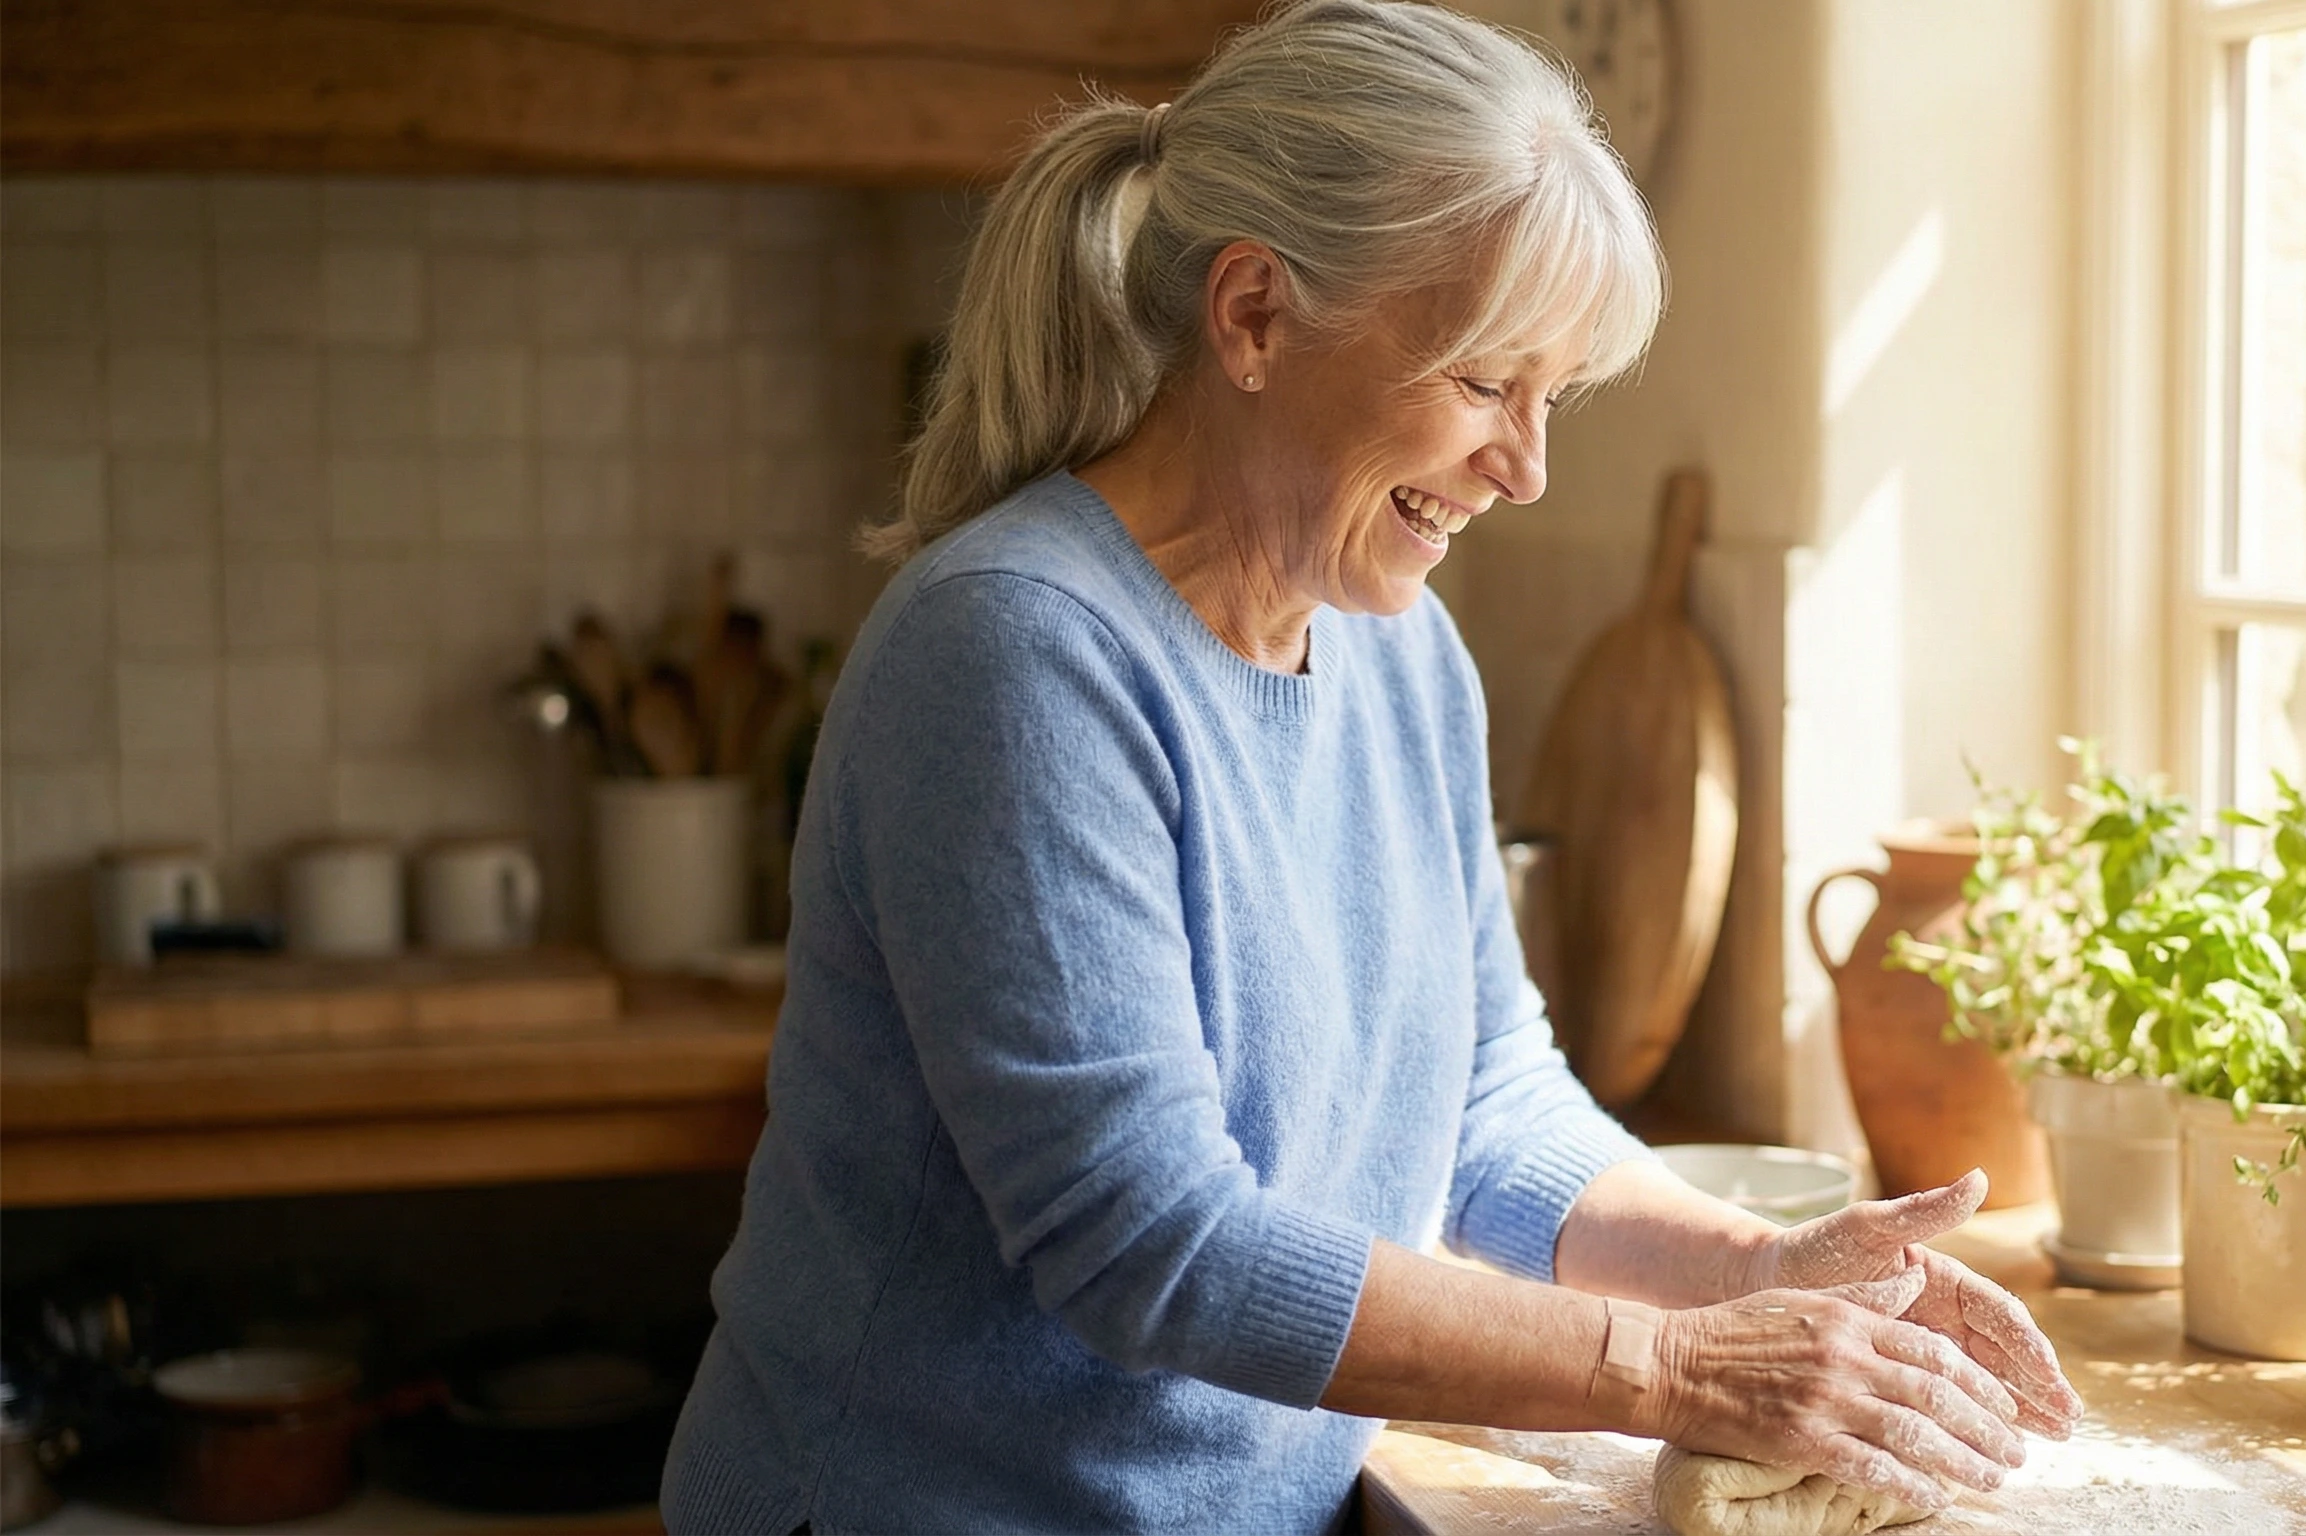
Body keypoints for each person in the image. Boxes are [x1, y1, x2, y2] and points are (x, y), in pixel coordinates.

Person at [661, 3, 2081, 1531]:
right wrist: (1678, 1368)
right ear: (1257, 315)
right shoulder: (1015, 652)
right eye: (1484, 383)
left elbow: (1485, 1098)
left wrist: (1755, 1268)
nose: (1527, 467)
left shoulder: (1403, 654)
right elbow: (1152, 1243)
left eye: (1553, 398)